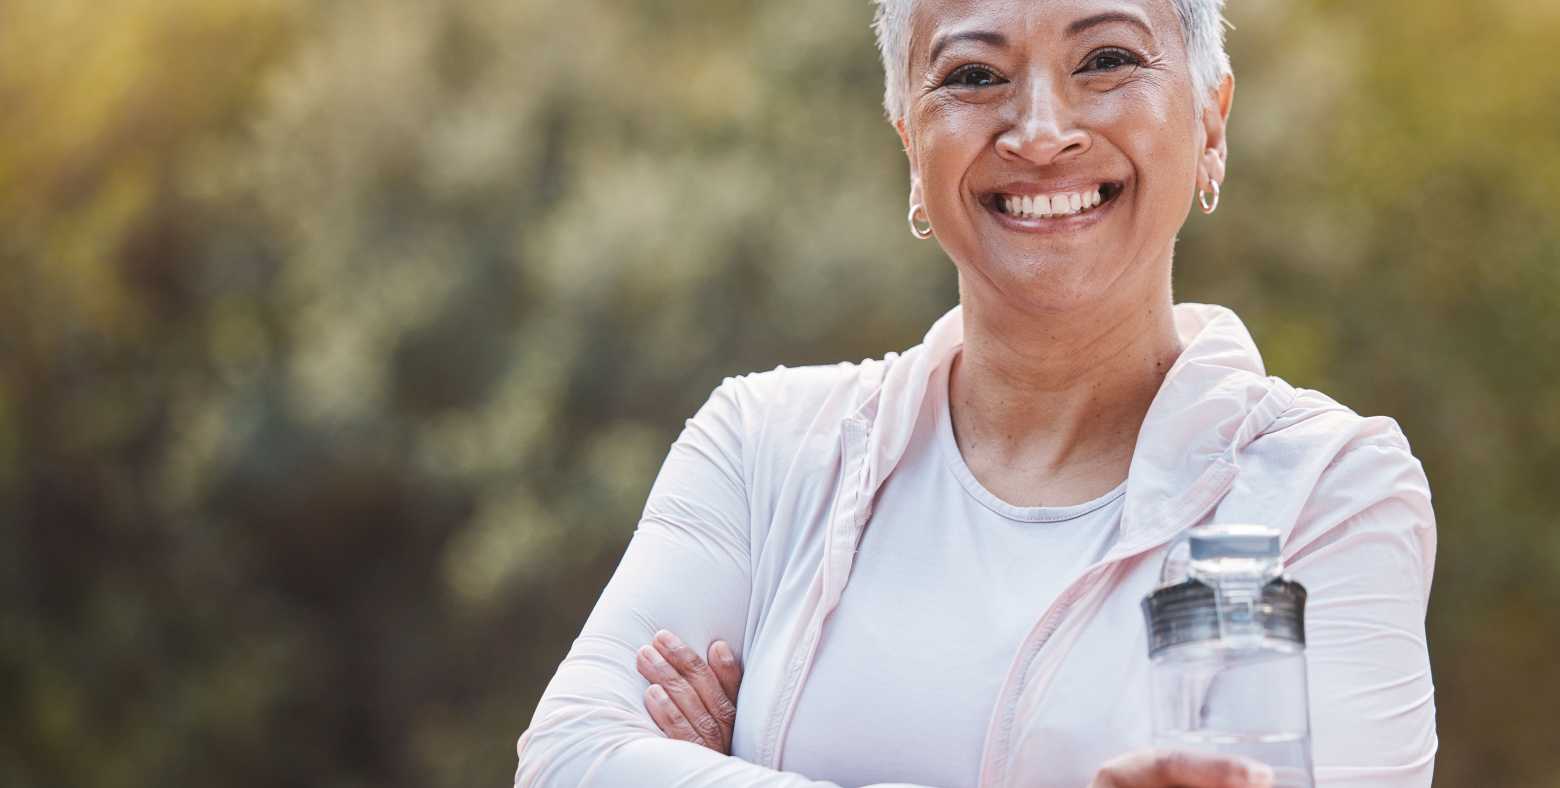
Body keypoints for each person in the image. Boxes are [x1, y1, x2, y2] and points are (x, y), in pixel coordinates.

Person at [514, 0, 1438, 785]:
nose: (1041, 131)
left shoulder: (1329, 489)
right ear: (911, 143)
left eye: (1107, 60)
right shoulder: (762, 446)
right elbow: (566, 758)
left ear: (1211, 122)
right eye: (973, 76)